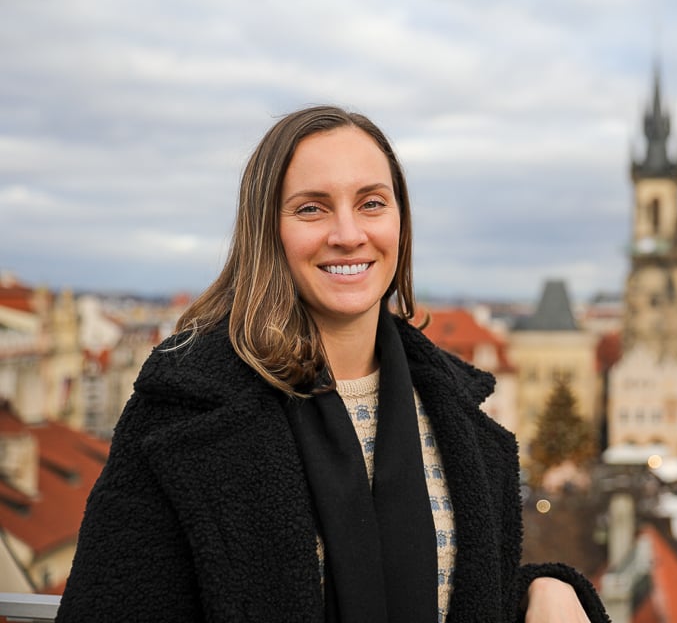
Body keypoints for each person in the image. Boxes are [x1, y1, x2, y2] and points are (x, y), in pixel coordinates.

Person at [59, 105, 609, 623]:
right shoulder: (184, 409)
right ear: (267, 230)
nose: (349, 235)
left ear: (400, 223)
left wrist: (545, 587)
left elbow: (451, 592)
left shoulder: (454, 413)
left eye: (371, 202)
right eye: (311, 208)